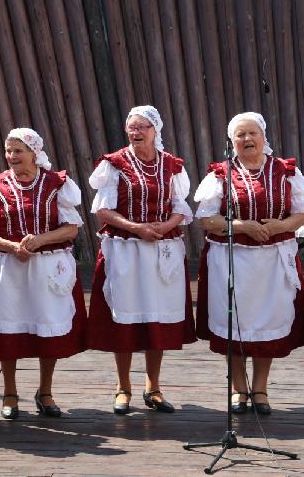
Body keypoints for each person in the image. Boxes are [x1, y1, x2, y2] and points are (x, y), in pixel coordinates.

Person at [194, 112, 304, 415]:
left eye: (252, 133)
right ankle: (238, 389)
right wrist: (243, 226)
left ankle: (260, 388)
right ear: (232, 142)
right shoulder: (221, 173)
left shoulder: (284, 171)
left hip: (272, 260)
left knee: (266, 323)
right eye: (240, 135)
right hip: (232, 260)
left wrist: (277, 226)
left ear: (263, 136)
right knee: (236, 323)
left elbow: (301, 213)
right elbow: (207, 219)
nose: (247, 139)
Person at [0, 128, 88, 419]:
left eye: (18, 151)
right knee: (7, 330)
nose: (11, 156)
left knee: (48, 327)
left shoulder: (57, 183)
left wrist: (39, 240)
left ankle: (45, 392)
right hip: (8, 268)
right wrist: (12, 246)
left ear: (34, 152)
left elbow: (72, 227)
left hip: (47, 266)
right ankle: (10, 393)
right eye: (8, 151)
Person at [88, 105, 196, 415]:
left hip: (161, 249)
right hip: (125, 249)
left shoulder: (171, 165)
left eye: (142, 127)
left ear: (155, 131)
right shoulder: (114, 164)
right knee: (124, 317)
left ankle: (154, 387)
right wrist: (137, 228)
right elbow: (103, 211)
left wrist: (163, 227)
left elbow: (180, 206)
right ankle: (123, 387)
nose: (136, 132)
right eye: (131, 127)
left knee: (156, 318)